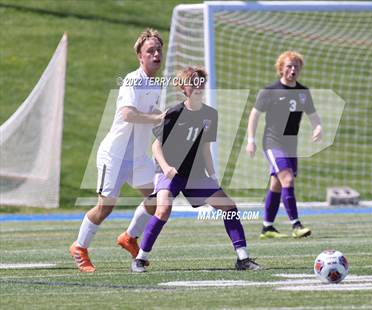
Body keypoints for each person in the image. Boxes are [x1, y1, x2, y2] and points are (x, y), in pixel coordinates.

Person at [131, 66, 261, 272]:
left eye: (201, 82)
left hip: (195, 174)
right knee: (163, 209)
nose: (198, 86)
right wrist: (166, 168)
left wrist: (213, 175)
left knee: (228, 207)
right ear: (184, 88)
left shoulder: (210, 114)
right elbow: (156, 146)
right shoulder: (175, 112)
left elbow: (205, 148)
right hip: (169, 172)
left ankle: (243, 259)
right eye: (193, 83)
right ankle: (140, 259)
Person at [70, 29, 166, 272]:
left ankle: (129, 237)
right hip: (114, 156)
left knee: (157, 199)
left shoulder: (156, 85)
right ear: (140, 57)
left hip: (137, 157)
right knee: (105, 207)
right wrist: (160, 116)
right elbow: (127, 114)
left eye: (158, 50)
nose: (156, 54)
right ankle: (79, 247)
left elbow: (152, 120)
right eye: (150, 51)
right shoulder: (132, 81)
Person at [246, 51, 322, 239]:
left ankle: (267, 227)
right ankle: (296, 225)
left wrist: (317, 127)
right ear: (281, 68)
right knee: (287, 179)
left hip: (291, 144)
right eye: (289, 65)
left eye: (296, 66)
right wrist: (251, 140)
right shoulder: (270, 91)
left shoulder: (303, 92)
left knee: (277, 185)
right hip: (272, 142)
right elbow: (254, 115)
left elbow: (313, 115)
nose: (293, 69)